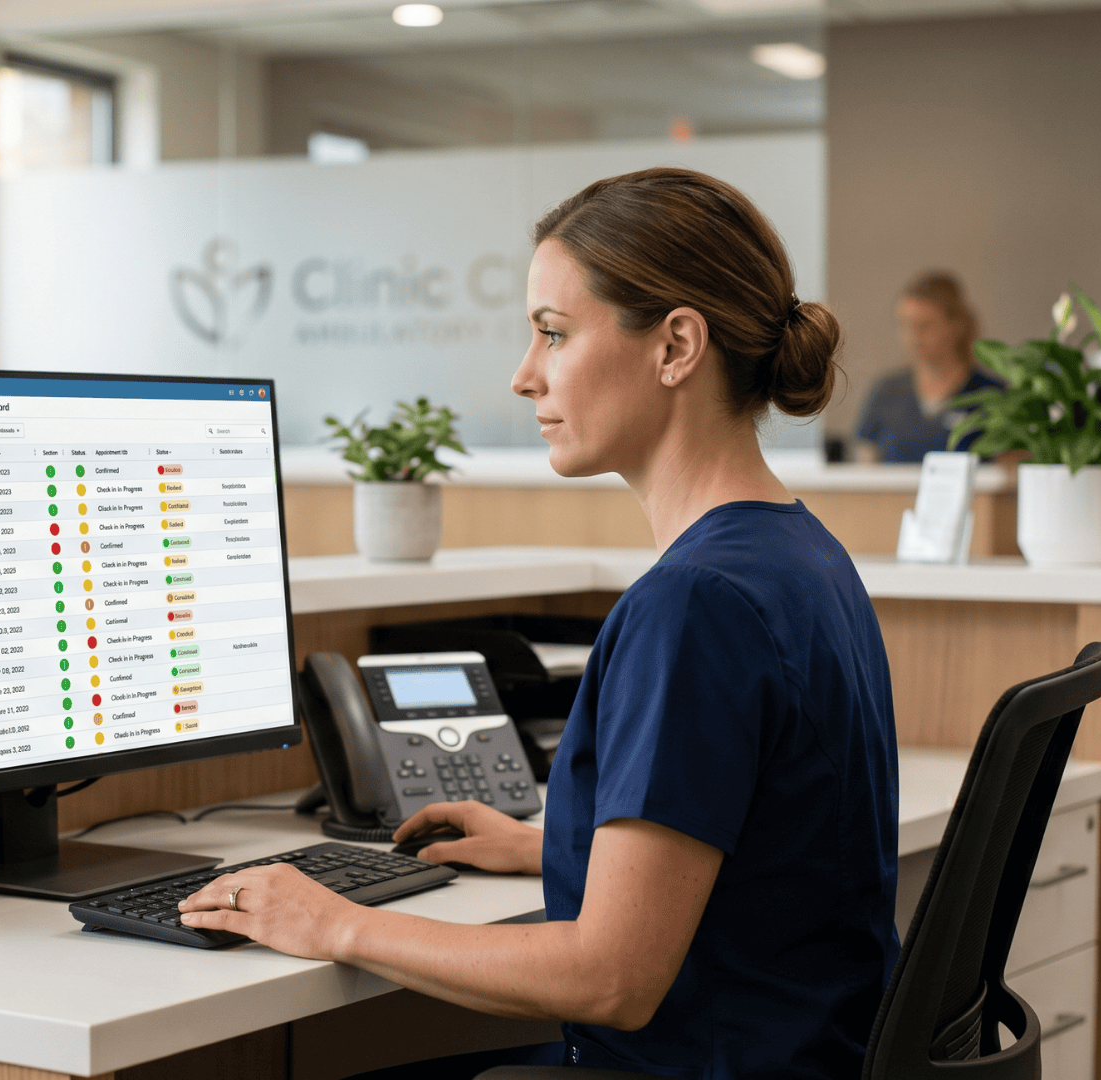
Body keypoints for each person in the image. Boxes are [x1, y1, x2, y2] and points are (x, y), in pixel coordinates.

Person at [177, 168, 900, 1080]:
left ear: (677, 344)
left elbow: (612, 980)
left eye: (554, 335)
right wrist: (547, 846)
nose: (525, 377)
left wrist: (335, 920)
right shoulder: (801, 556)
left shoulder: (695, 604)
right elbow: (761, 851)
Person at [853, 272, 1004, 463]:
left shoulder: (991, 395)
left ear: (955, 326)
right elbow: (865, 464)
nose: (913, 337)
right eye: (906, 325)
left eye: (925, 326)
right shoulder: (886, 393)